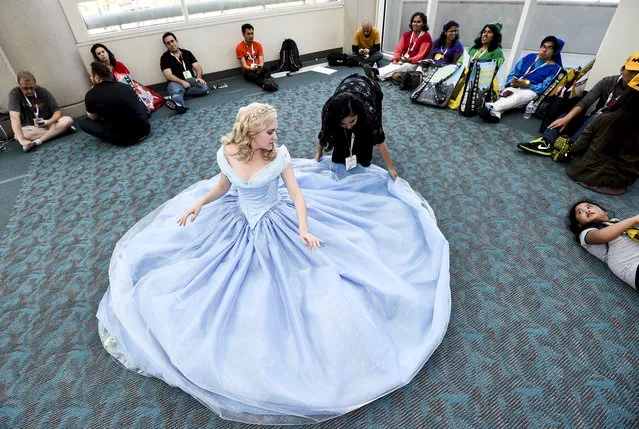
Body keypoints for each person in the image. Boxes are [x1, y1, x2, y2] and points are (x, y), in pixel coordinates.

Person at [96, 102, 451, 425]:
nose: (276, 136)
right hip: (237, 222)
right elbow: (224, 186)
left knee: (301, 287)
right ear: (251, 133)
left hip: (277, 222)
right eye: (270, 131)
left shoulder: (278, 156)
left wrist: (304, 229)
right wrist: (200, 203)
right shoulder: (229, 151)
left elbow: (296, 195)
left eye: (276, 130)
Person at [518, 52, 639, 157]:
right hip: (593, 119)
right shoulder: (608, 81)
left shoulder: (636, 92)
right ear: (622, 69)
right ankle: (546, 141)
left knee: (596, 118)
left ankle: (570, 147)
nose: (634, 76)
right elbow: (586, 101)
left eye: (638, 73)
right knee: (567, 116)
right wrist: (567, 118)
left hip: (613, 127)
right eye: (631, 71)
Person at [563, 76, 639, 195]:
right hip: (616, 184)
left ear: (625, 95)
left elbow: (579, 145)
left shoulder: (602, 118)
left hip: (582, 173)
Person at [315, 74, 398, 180]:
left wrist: (390, 167)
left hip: (371, 89)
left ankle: (362, 155)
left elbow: (379, 141)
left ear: (358, 115)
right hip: (347, 84)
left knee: (366, 137)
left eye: (352, 121)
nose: (348, 127)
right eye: (343, 124)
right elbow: (324, 132)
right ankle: (345, 148)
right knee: (340, 144)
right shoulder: (329, 111)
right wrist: (319, 152)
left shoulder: (368, 111)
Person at [478, 36, 563, 123]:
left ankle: (492, 107)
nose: (544, 50)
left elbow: (545, 87)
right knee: (505, 96)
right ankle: (496, 115)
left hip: (531, 91)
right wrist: (511, 82)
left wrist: (527, 85)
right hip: (516, 85)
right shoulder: (529, 57)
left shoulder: (555, 69)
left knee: (517, 98)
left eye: (549, 48)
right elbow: (513, 73)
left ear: (554, 52)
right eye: (543, 46)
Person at [568, 201, 639, 289]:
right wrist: (633, 220)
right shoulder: (586, 233)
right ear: (579, 224)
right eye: (580, 212)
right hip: (633, 267)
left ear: (605, 212)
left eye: (589, 207)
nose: (586, 210)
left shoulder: (619, 224)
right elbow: (602, 236)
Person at [80, 62, 150, 146]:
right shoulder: (125, 87)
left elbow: (93, 117)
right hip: (144, 130)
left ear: (97, 78)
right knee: (138, 104)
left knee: (84, 123)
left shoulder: (91, 94)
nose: (90, 79)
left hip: (122, 139)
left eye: (91, 76)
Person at [8, 71, 74, 152]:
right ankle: (62, 131)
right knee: (18, 136)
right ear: (19, 85)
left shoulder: (42, 91)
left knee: (68, 120)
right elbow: (14, 117)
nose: (29, 91)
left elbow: (57, 111)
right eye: (25, 88)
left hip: (49, 124)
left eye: (32, 87)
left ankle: (37, 142)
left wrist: (50, 121)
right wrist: (22, 140)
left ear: (35, 84)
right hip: (32, 128)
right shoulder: (14, 94)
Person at [91, 43, 165, 112]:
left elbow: (129, 79)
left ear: (107, 52)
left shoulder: (118, 64)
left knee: (150, 98)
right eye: (99, 54)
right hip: (114, 93)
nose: (102, 55)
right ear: (97, 57)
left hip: (127, 88)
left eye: (103, 52)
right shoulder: (100, 71)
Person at [363, 12, 432, 81]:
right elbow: (398, 50)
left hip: (416, 63)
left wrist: (409, 60)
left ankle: (377, 72)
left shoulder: (426, 37)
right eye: (414, 21)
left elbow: (421, 55)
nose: (415, 24)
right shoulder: (406, 35)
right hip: (404, 60)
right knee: (394, 64)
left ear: (423, 24)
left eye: (418, 22)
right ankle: (378, 75)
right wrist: (396, 58)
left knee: (405, 66)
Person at [160, 32, 209, 113]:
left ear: (176, 41)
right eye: (168, 43)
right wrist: (182, 82)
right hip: (175, 82)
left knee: (204, 88)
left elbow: (197, 67)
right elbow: (168, 75)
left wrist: (199, 78)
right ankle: (180, 107)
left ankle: (178, 96)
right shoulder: (164, 57)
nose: (171, 44)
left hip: (190, 80)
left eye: (172, 41)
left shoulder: (187, 53)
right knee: (176, 93)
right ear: (166, 45)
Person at [236, 23, 278, 91]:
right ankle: (266, 82)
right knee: (251, 75)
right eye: (248, 34)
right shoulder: (239, 47)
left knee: (267, 69)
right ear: (243, 34)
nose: (251, 36)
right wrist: (251, 69)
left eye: (252, 33)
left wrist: (259, 68)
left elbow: (261, 61)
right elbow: (244, 65)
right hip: (249, 70)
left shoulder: (258, 45)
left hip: (258, 67)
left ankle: (266, 83)